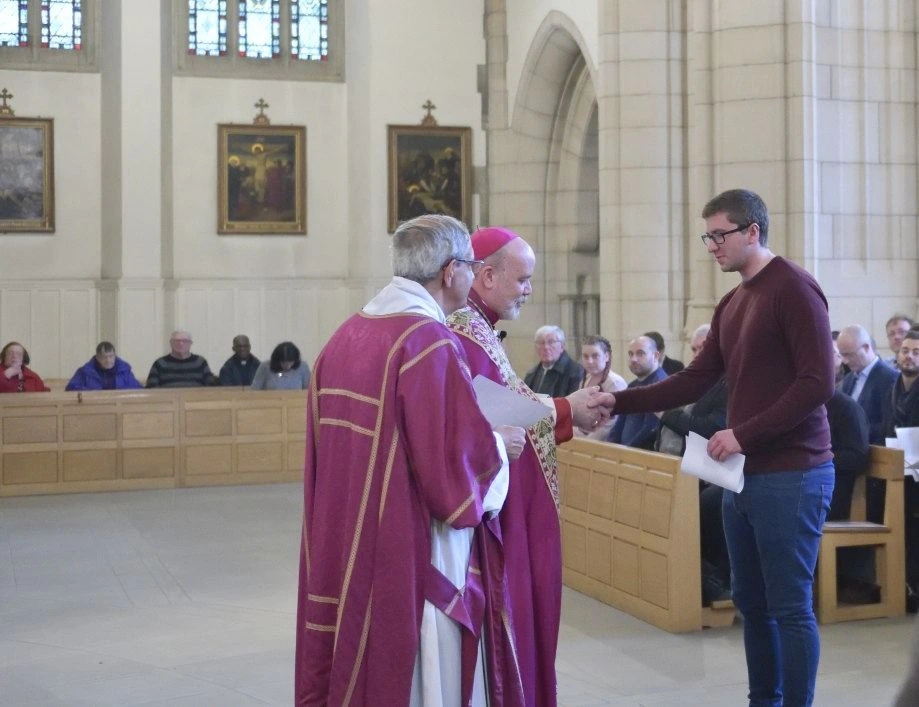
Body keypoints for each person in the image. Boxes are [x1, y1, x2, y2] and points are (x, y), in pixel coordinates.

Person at [608, 189, 835, 707]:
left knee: (790, 607)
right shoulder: (734, 302)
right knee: (750, 605)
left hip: (793, 472)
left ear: (752, 231)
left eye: (719, 234)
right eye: (707, 236)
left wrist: (743, 433)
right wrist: (616, 401)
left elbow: (818, 381)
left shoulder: (794, 288)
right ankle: (764, 700)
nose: (711, 245)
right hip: (743, 474)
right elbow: (693, 380)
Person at [295, 214, 528, 706]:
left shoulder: (346, 336)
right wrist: (499, 450)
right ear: (450, 272)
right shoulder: (427, 342)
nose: (471, 275)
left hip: (346, 542)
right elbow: (452, 482)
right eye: (469, 265)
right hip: (411, 555)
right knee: (416, 683)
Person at [446, 226, 613, 707]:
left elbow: (508, 403)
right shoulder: (465, 329)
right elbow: (501, 411)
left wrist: (565, 407)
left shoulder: (478, 326)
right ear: (488, 275)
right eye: (523, 279)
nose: (529, 290)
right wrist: (568, 408)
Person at [837, 324, 898, 444]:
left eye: (849, 354)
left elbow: (888, 425)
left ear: (866, 348)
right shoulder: (848, 379)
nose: (844, 361)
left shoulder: (890, 378)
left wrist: (854, 431)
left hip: (875, 450)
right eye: (841, 355)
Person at [606, 335, 667, 450]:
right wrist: (611, 446)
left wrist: (626, 451)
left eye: (640, 353)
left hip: (642, 456)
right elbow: (620, 422)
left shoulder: (661, 385)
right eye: (630, 354)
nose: (633, 359)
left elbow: (650, 429)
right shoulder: (632, 386)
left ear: (656, 356)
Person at [574, 335, 626, 440]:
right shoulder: (586, 379)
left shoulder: (614, 383)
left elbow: (612, 423)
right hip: (582, 437)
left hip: (604, 442)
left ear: (606, 356)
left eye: (595, 356)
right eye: (585, 356)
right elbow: (579, 412)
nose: (590, 361)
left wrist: (588, 443)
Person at [523, 325, 583, 397]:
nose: (546, 347)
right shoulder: (532, 373)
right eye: (541, 343)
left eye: (551, 342)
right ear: (536, 347)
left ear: (562, 346)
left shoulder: (576, 372)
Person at [146, 331, 216, 388]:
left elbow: (211, 387)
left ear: (190, 344)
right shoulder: (159, 363)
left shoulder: (200, 362)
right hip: (168, 402)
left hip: (196, 402)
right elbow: (151, 388)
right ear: (170, 343)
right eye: (177, 341)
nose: (181, 344)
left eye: (185, 341)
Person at [65, 341, 143, 390]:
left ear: (115, 356)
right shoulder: (85, 372)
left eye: (111, 356)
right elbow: (71, 387)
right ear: (97, 358)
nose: (108, 360)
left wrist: (119, 391)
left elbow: (137, 388)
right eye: (104, 357)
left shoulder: (124, 371)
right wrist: (96, 393)